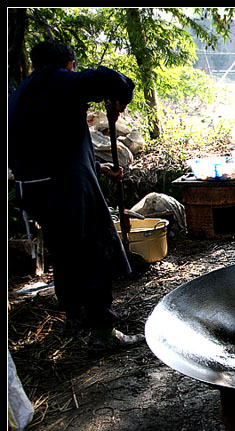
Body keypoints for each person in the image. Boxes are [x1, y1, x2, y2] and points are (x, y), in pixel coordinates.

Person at [8, 40, 143, 350]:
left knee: (65, 252)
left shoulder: (20, 94)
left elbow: (47, 144)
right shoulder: (60, 80)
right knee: (93, 251)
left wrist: (95, 165)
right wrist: (119, 102)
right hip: (66, 187)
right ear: (69, 64)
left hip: (35, 190)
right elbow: (116, 80)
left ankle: (76, 315)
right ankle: (103, 333)